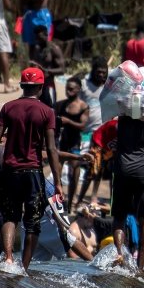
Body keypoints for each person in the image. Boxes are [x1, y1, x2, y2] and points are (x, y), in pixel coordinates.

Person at [0, 67, 66, 273]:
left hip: (9, 171)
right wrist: (57, 181)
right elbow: (52, 149)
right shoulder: (47, 112)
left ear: (21, 86)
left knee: (10, 217)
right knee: (32, 223)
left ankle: (9, 259)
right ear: (40, 87)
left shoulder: (8, 107)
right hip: (33, 173)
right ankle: (24, 268)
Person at [108, 76, 144, 270]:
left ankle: (120, 255)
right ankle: (140, 266)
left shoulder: (122, 110)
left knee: (119, 217)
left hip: (122, 169)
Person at [55, 78, 89, 212]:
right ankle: (58, 199)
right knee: (57, 171)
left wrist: (68, 121)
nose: (68, 91)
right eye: (67, 88)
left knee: (74, 171)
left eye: (71, 89)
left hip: (75, 143)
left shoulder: (83, 106)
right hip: (62, 142)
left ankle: (70, 204)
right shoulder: (60, 105)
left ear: (78, 89)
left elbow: (82, 126)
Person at [28, 25, 66, 106]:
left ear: (46, 34)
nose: (37, 40)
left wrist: (46, 71)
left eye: (39, 37)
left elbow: (62, 70)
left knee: (50, 109)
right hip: (36, 86)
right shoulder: (36, 48)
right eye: (36, 38)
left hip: (49, 85)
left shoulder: (54, 49)